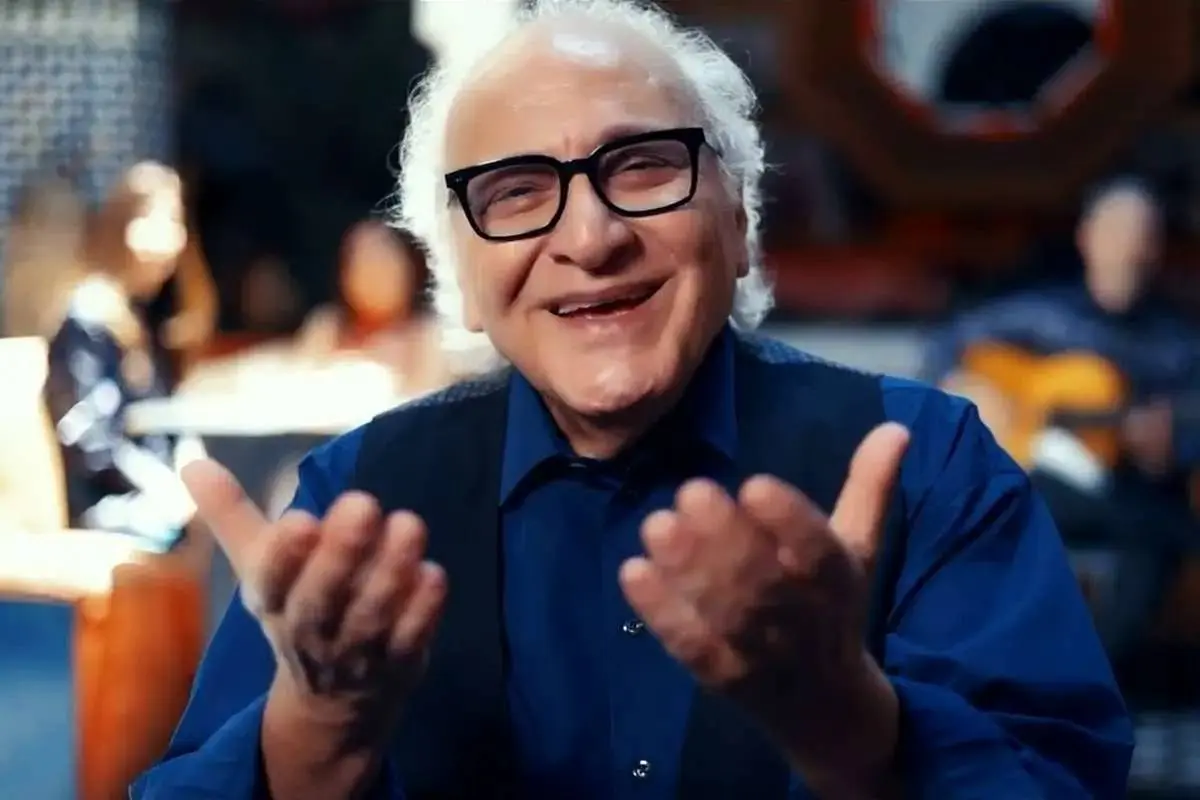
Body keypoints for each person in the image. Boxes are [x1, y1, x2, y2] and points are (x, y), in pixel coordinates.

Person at [134, 1, 1131, 798]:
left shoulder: (929, 463)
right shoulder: (357, 493)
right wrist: (320, 729)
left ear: (739, 224)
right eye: (517, 191)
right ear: (462, 278)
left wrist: (855, 727)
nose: (591, 237)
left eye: (645, 166)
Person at [924, 178, 1200, 659]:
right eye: (1116, 235)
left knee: (1162, 535)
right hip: (1040, 478)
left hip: (1127, 490)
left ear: (1156, 251)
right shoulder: (1041, 315)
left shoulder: (1175, 342)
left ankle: (1100, 673)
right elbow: (948, 349)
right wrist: (969, 391)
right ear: (1086, 238)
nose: (1128, 251)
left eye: (1141, 239)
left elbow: (1185, 432)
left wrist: (1172, 444)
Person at [42, 163, 200, 550]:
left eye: (175, 222)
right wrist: (161, 487)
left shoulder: (144, 315)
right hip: (107, 505)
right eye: (154, 220)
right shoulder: (88, 317)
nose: (167, 239)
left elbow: (164, 418)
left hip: (158, 495)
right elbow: (89, 438)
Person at [296, 219, 449, 394]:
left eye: (383, 265)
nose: (374, 277)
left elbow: (424, 397)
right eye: (363, 264)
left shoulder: (428, 335)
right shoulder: (327, 327)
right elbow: (302, 387)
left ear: (410, 271)